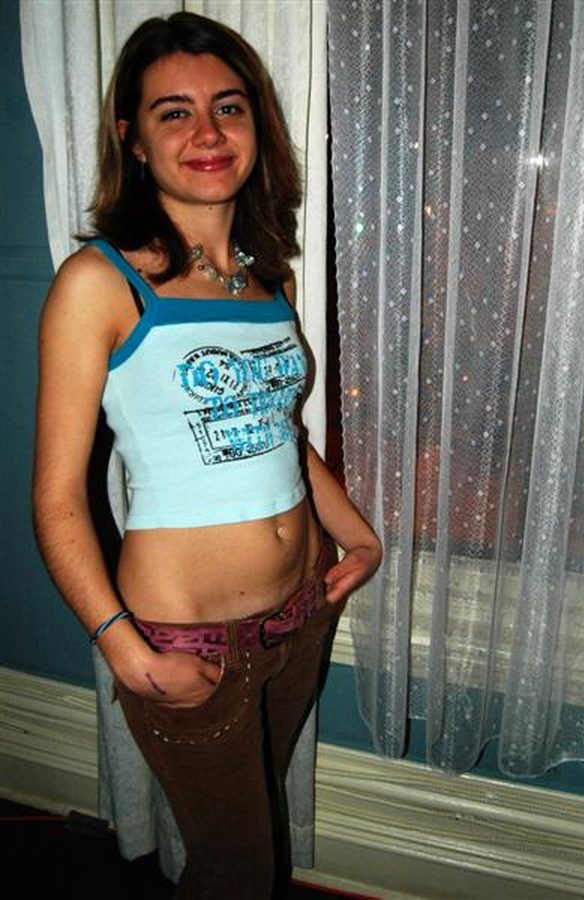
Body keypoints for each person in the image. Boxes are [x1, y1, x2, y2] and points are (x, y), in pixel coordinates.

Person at [32, 12, 381, 900]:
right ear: (133, 139)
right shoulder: (100, 284)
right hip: (185, 643)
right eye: (174, 113)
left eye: (228, 107)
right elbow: (59, 497)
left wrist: (358, 536)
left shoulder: (267, 278)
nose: (208, 132)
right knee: (238, 873)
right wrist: (124, 650)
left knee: (246, 841)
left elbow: (279, 434)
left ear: (256, 124)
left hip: (300, 615)